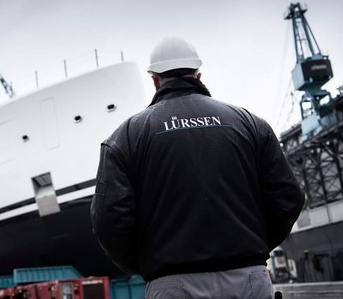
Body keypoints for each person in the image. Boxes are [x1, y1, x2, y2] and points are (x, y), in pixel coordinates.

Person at [90, 36, 304, 298]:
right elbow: (288, 197)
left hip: (170, 285)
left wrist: (149, 266)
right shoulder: (251, 125)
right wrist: (254, 248)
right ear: (199, 75)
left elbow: (109, 220)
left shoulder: (124, 138)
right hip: (249, 279)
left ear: (155, 80)